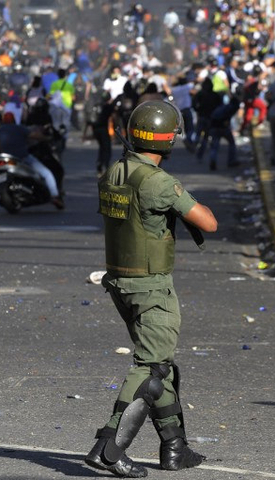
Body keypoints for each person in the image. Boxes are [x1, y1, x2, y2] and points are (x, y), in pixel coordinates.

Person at [84, 100, 217, 477]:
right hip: (151, 287)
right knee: (151, 367)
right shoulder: (158, 182)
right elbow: (208, 222)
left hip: (121, 282)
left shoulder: (115, 171)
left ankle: (174, 447)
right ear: (166, 140)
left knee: (163, 367)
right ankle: (109, 448)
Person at [0, 112, 64, 209]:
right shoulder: (19, 128)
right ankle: (55, 195)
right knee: (46, 173)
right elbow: (35, 136)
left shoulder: (0, 130)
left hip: (7, 159)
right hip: (22, 157)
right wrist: (47, 138)